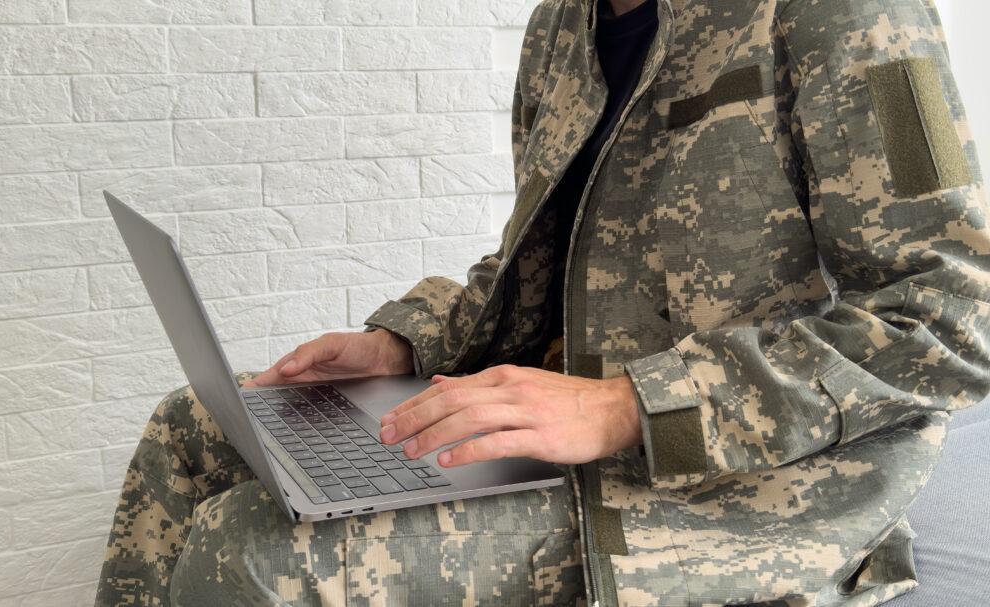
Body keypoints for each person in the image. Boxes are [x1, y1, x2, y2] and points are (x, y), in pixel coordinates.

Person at [96, 0, 990, 605]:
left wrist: (630, 403)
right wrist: (406, 343)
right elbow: (547, 269)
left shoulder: (844, 14)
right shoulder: (562, 26)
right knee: (191, 425)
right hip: (561, 421)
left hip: (749, 484)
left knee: (248, 548)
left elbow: (956, 318)